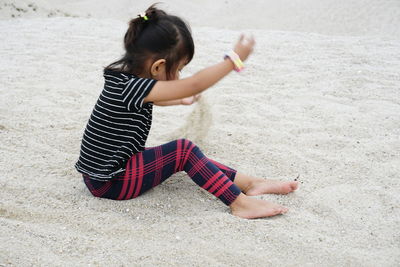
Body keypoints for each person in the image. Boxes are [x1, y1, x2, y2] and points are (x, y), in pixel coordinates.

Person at [75, 4, 298, 219]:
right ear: (158, 67)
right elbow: (195, 84)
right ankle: (240, 203)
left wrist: (179, 99)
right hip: (111, 183)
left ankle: (251, 184)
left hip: (105, 173)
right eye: (179, 69)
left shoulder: (123, 80)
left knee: (183, 155)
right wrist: (234, 60)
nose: (180, 76)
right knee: (183, 150)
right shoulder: (133, 87)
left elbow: (153, 98)